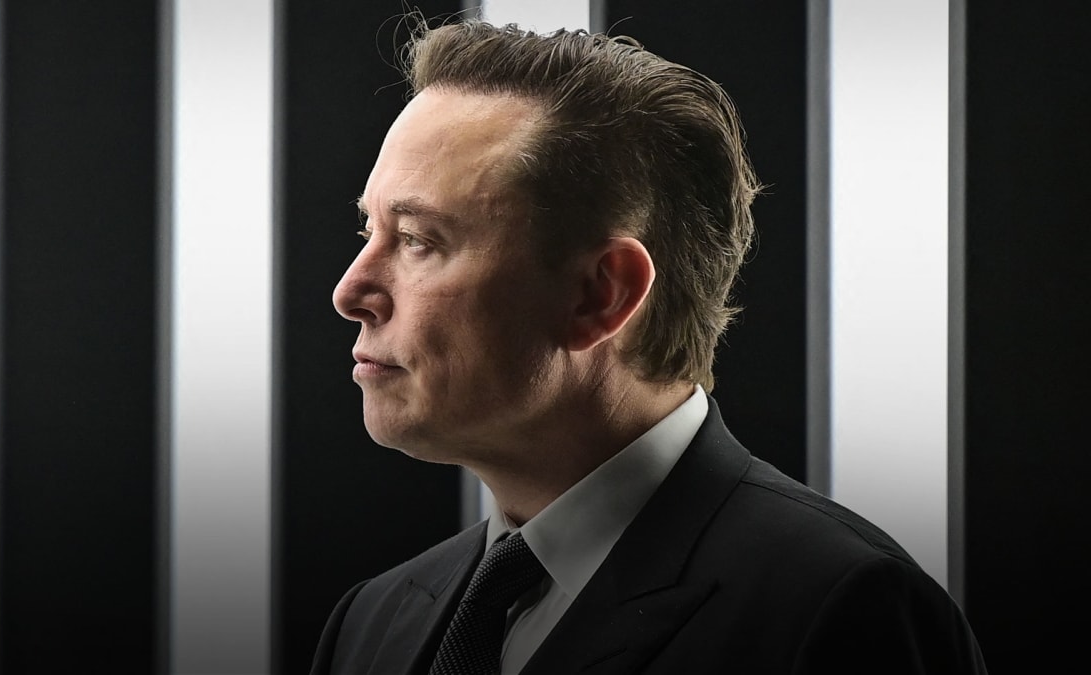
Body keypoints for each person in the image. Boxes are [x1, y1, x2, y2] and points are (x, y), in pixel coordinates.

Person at [312, 17, 987, 675]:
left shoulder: (844, 612)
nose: (350, 291)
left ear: (602, 295)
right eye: (369, 231)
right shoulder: (372, 622)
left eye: (418, 240)